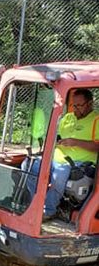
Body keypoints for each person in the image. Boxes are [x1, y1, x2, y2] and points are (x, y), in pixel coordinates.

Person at [22, 88, 99, 220]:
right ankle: (37, 202)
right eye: (73, 105)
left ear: (90, 103)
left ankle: (48, 210)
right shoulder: (68, 118)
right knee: (28, 166)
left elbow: (97, 146)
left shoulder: (96, 120)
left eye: (79, 105)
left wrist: (75, 142)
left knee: (59, 175)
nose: (75, 109)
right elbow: (57, 135)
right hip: (54, 156)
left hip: (76, 162)